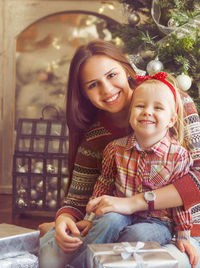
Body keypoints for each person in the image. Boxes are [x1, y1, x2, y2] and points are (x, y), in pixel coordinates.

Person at [39, 40, 200, 268]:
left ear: (127, 70)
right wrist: (64, 218)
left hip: (175, 229)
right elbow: (79, 197)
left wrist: (134, 203)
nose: (106, 89)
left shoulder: (172, 100)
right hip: (114, 222)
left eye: (112, 75)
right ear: (84, 94)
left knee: (163, 261)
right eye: (93, 85)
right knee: (55, 250)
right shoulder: (98, 136)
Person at [76, 72, 197, 265]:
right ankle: (80, 264)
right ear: (130, 114)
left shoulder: (179, 156)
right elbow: (104, 186)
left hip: (158, 222)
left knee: (138, 233)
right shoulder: (115, 149)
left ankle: (106, 264)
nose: (147, 112)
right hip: (120, 212)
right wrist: (91, 218)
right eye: (140, 106)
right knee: (107, 221)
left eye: (158, 108)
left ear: (172, 120)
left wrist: (183, 237)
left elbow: (180, 203)